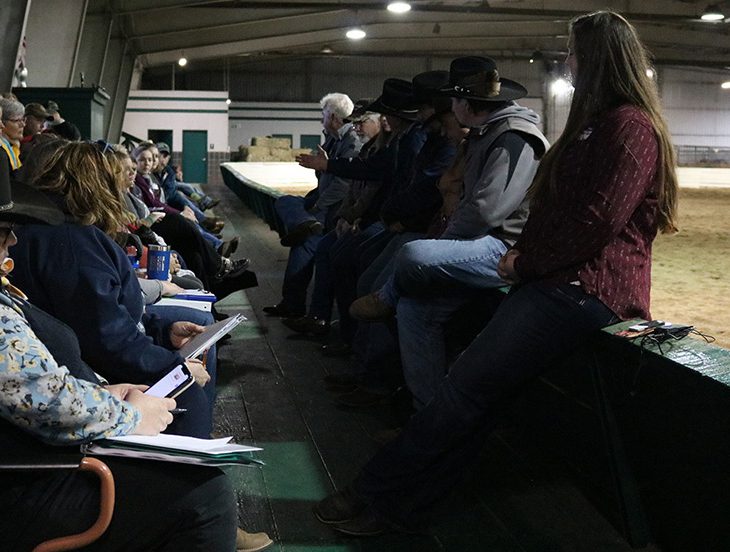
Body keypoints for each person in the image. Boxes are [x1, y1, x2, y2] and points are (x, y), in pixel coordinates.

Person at [315, 10, 678, 535]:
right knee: (472, 397)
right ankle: (400, 500)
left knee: (465, 391)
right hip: (558, 284)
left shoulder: (628, 128)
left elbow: (596, 220)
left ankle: (380, 493)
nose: (568, 61)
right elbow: (558, 211)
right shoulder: (602, 125)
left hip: (584, 290)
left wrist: (525, 260)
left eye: (573, 51)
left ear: (596, 57)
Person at [0, 154, 240, 551]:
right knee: (205, 495)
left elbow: (28, 384)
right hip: (28, 477)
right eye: (6, 229)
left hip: (44, 447)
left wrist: (104, 392)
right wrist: (130, 413)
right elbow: (41, 397)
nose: (13, 240)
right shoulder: (71, 244)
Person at [347, 56, 550, 409]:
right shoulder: (492, 134)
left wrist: (443, 244)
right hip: (479, 241)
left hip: (502, 248)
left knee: (413, 253)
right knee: (413, 311)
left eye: (454, 100)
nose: (451, 108)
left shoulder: (514, 137)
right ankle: (428, 414)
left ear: (467, 104)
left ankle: (387, 296)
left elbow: (487, 209)